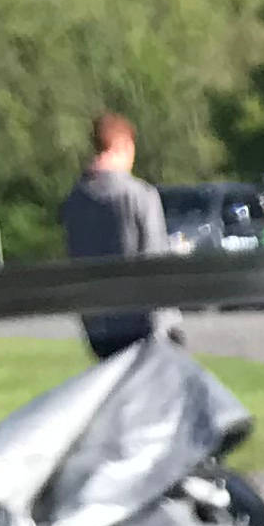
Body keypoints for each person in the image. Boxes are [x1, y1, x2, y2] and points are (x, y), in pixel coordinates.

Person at [61, 112, 171, 359]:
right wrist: (165, 328)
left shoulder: (75, 200)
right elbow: (155, 262)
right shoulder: (140, 195)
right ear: (123, 145)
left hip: (98, 329)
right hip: (142, 328)